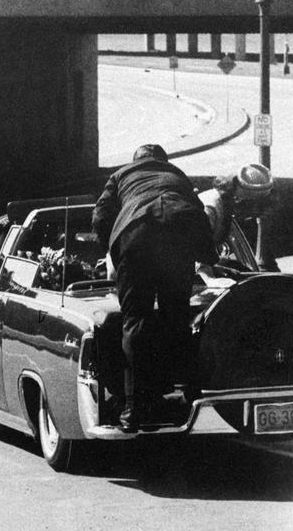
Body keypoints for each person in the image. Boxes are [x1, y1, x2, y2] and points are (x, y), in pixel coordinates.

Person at [92, 144, 218, 430]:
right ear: (163, 161)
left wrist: (112, 251)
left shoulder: (121, 176)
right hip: (179, 237)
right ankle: (190, 397)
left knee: (136, 322)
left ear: (136, 160)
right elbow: (198, 215)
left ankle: (134, 409)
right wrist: (209, 258)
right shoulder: (177, 175)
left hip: (136, 237)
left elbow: (100, 217)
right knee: (178, 319)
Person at [196, 163, 273, 285]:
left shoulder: (225, 205)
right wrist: (209, 278)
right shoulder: (209, 207)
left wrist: (215, 267)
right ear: (238, 199)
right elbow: (196, 246)